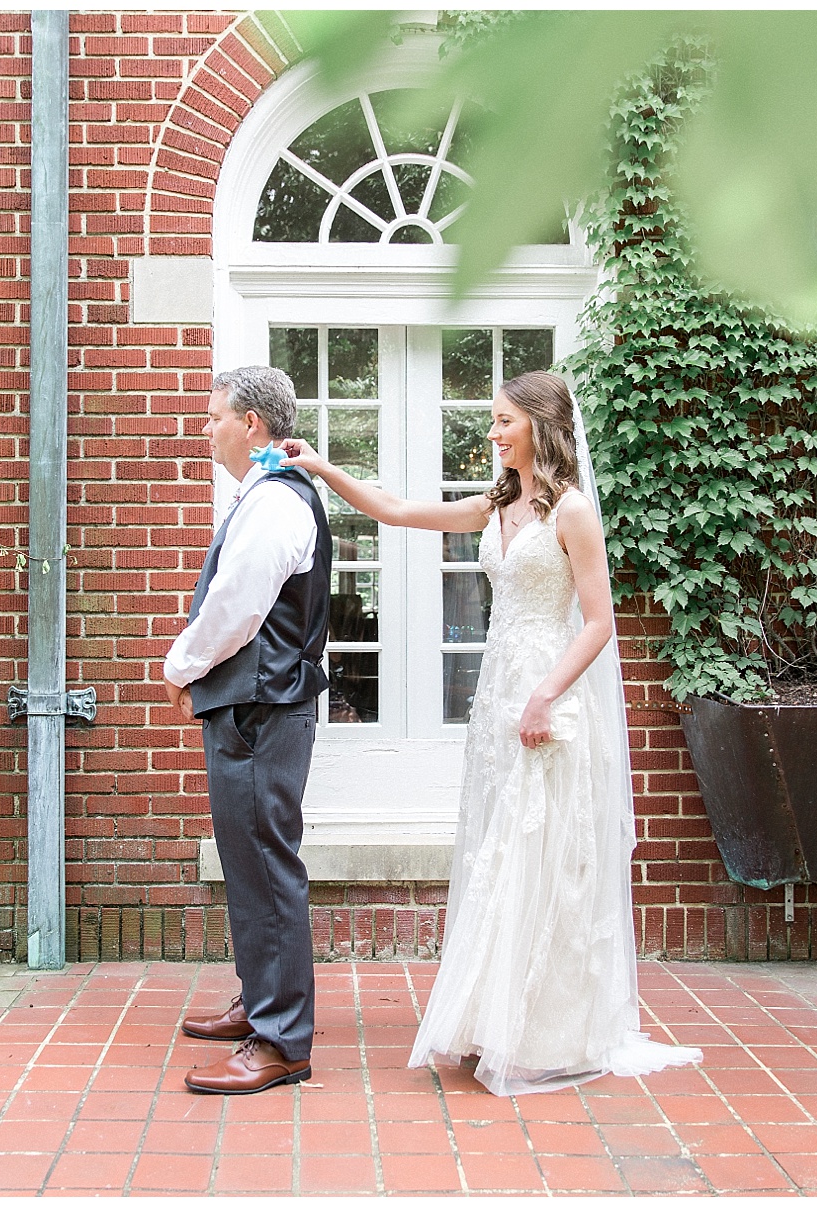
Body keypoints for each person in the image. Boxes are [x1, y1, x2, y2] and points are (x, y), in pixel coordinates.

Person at [283, 370, 701, 1096]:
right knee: (498, 851)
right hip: (498, 696)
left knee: (545, 852)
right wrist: (322, 467)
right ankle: (495, 1020)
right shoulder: (497, 503)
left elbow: (599, 622)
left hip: (548, 697)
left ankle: (548, 1033)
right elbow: (397, 510)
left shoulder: (573, 511)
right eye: (493, 420)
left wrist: (545, 695)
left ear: (540, 423)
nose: (493, 431)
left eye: (505, 420)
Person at [165, 366, 331, 1095]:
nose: (206, 429)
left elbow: (236, 607)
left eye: (215, 416)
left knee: (265, 863)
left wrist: (180, 666)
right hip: (254, 707)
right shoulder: (267, 495)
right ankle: (261, 1000)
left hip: (262, 709)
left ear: (252, 423)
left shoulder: (275, 502)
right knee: (248, 862)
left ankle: (282, 1039)